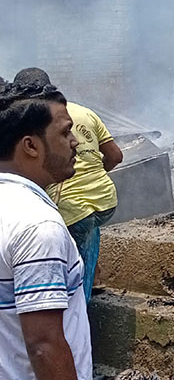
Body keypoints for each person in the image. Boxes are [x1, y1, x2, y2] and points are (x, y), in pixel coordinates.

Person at [0, 80, 91, 380]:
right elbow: (44, 345)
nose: (75, 141)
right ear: (30, 146)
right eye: (65, 132)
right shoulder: (38, 225)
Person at [12, 68, 123, 303]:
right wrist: (94, 176)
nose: (72, 141)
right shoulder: (85, 112)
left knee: (68, 265)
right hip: (104, 200)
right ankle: (91, 280)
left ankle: (77, 303)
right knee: (87, 227)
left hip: (70, 207)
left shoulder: (28, 124)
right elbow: (115, 156)